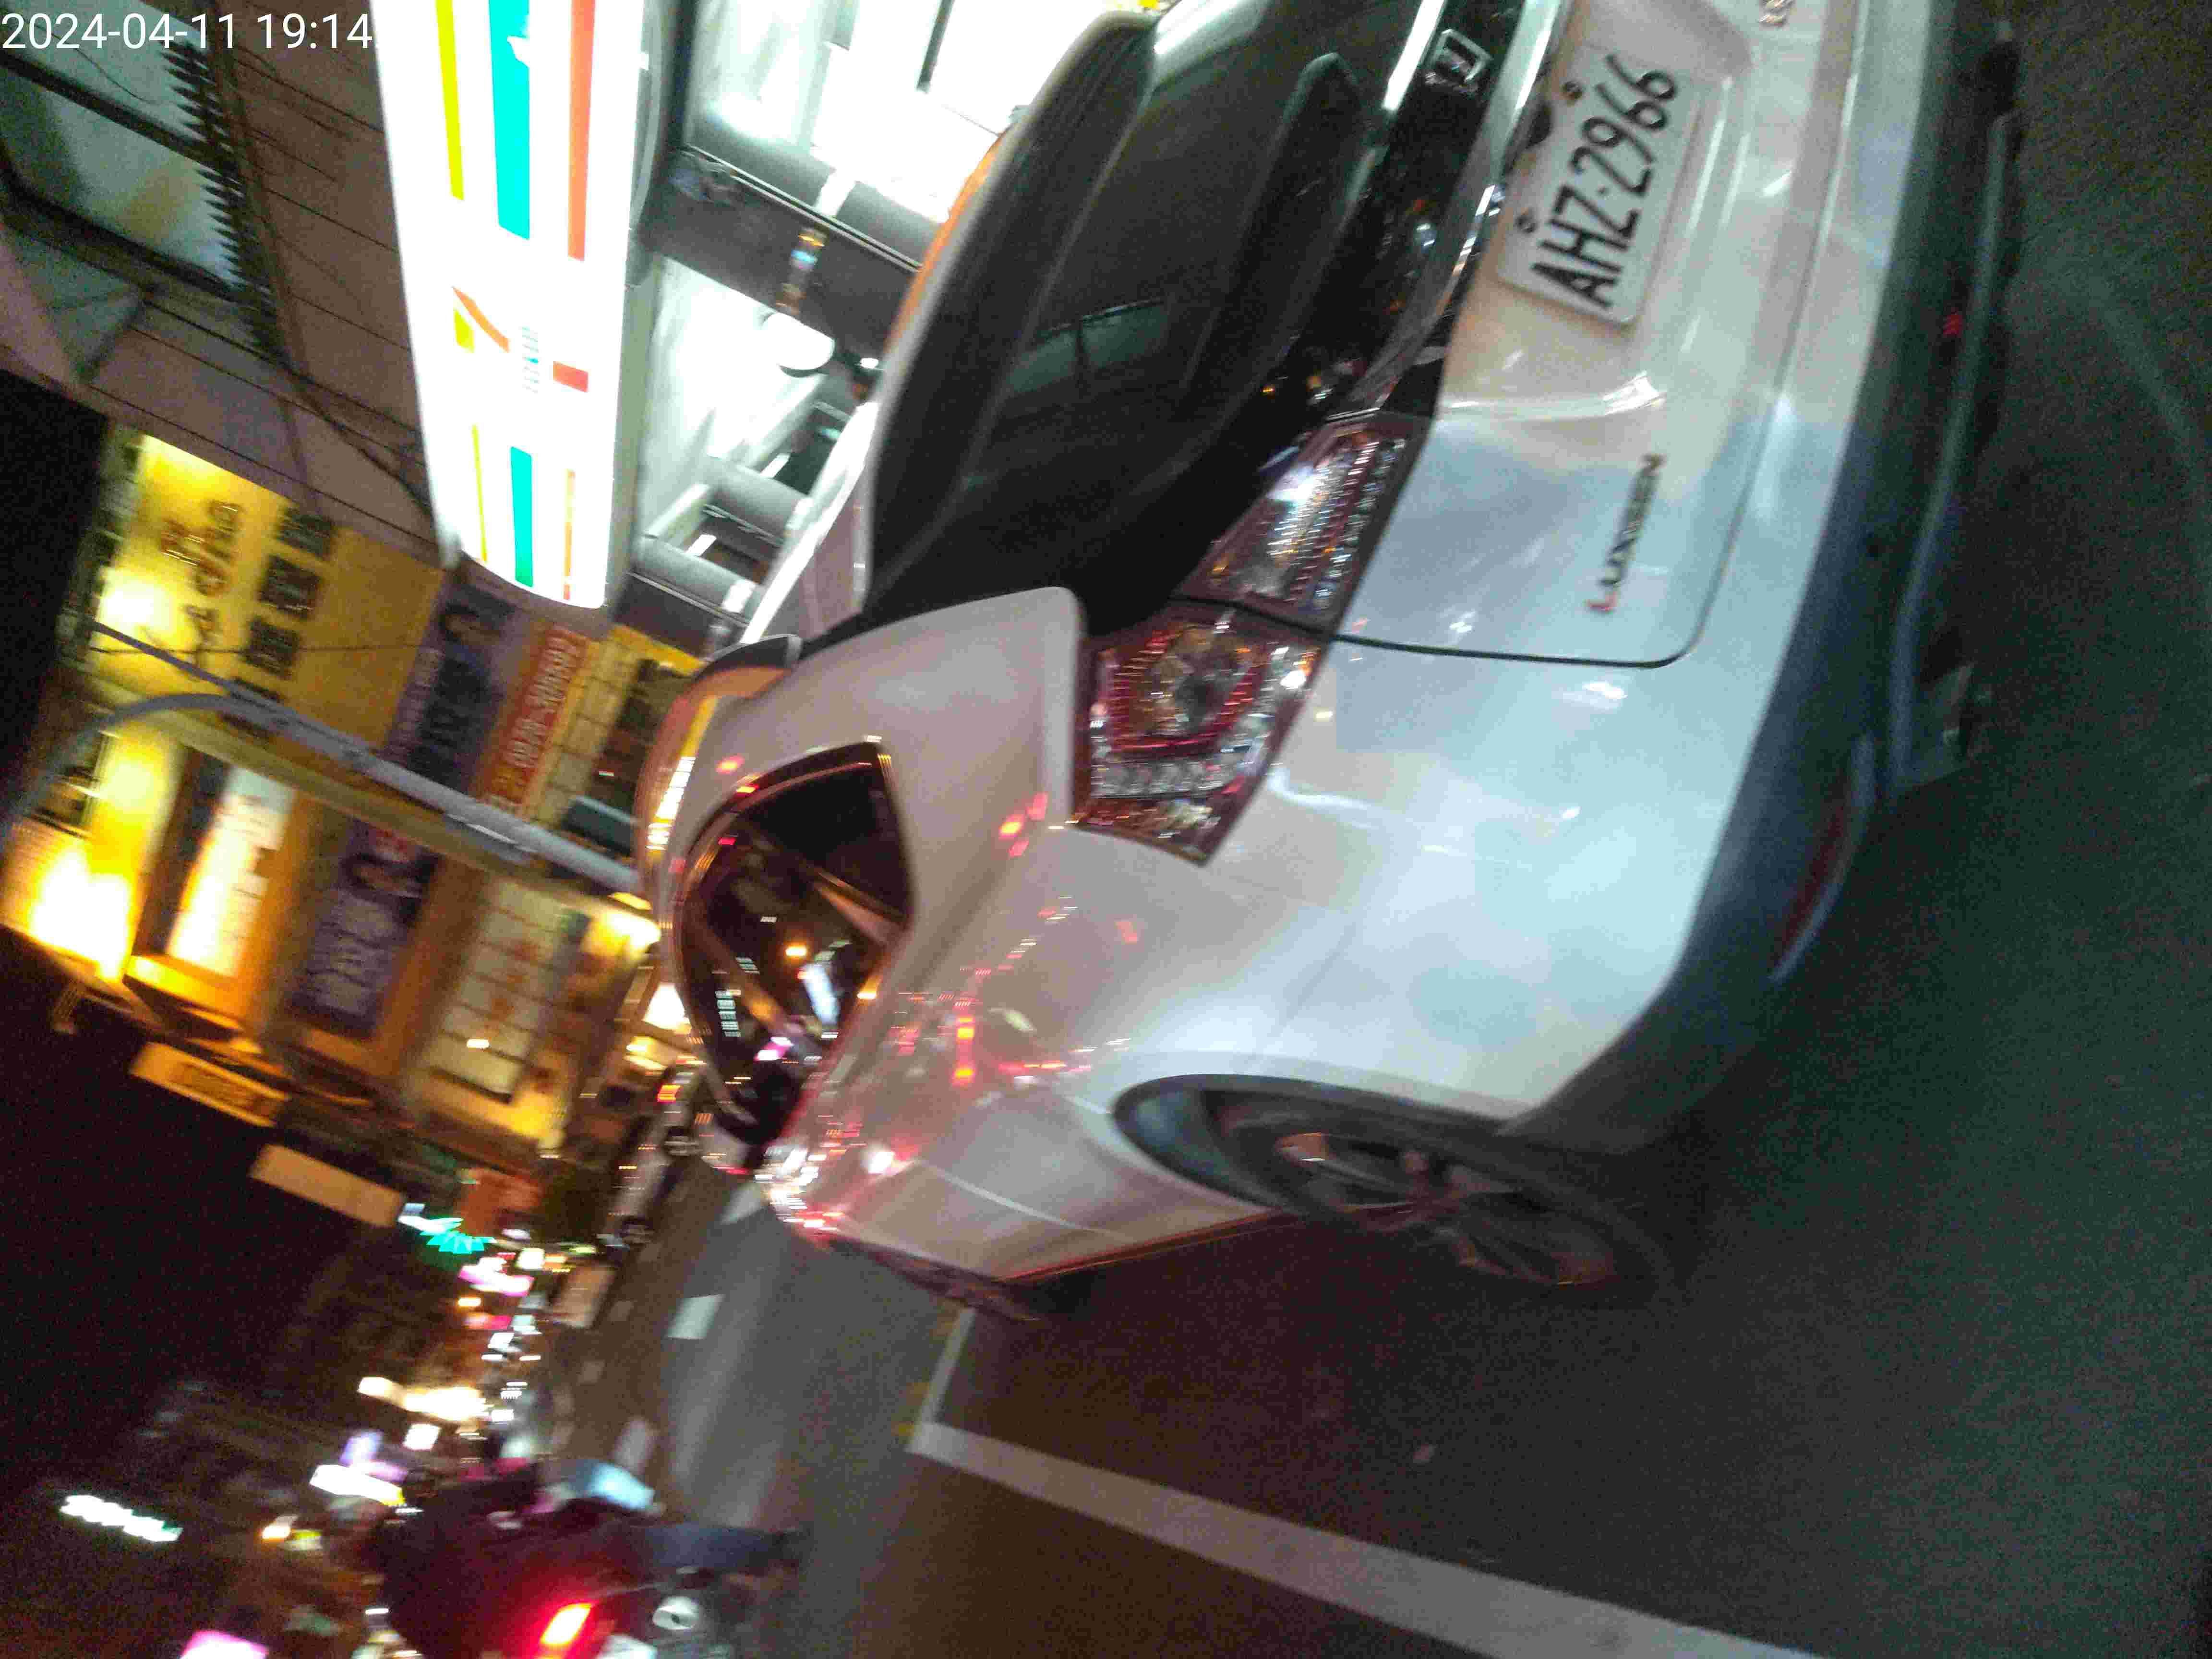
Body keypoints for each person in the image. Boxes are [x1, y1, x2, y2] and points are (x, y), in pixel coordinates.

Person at [342, 1463, 807, 1659]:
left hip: (529, 1640)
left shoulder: (401, 1615)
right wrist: (537, 1475)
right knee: (660, 1545)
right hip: (561, 1567)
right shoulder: (438, 1513)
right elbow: (516, 1488)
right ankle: (773, 1551)